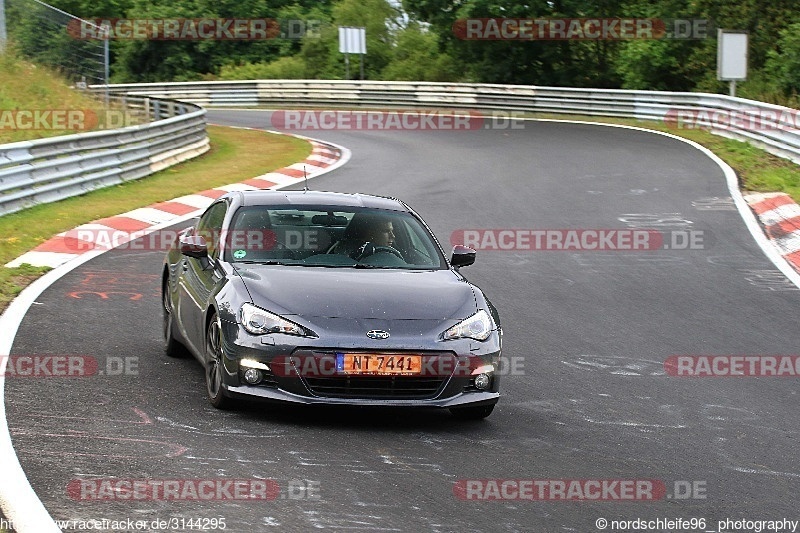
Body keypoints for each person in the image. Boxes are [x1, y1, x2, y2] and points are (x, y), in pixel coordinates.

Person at [330, 213, 398, 259]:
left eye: (392, 231)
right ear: (370, 233)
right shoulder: (346, 253)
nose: (393, 236)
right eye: (386, 231)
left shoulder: (396, 254)